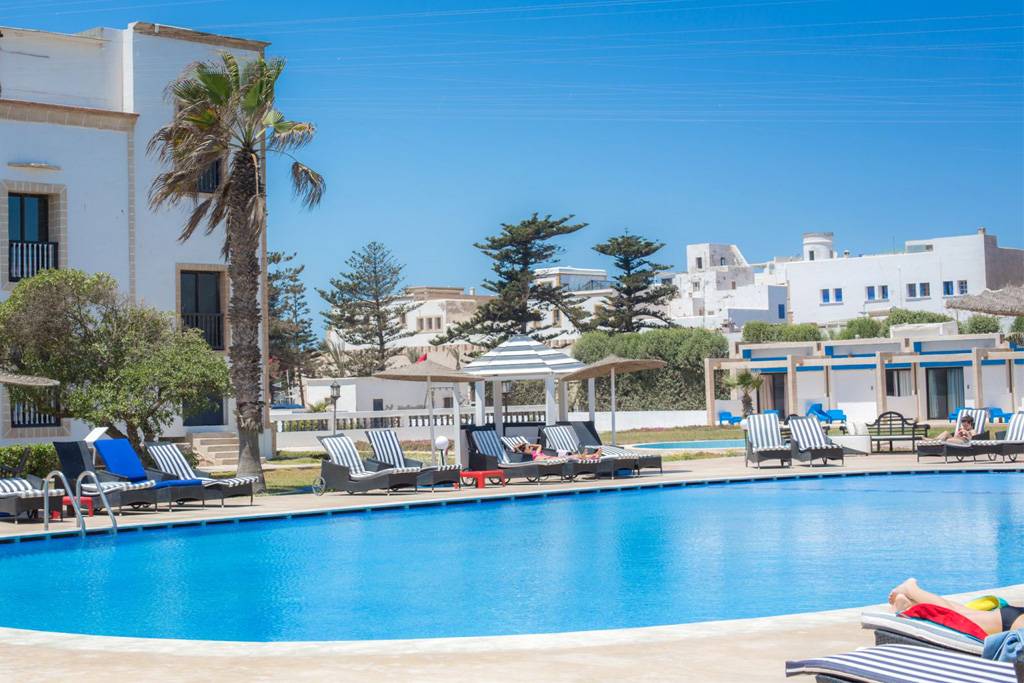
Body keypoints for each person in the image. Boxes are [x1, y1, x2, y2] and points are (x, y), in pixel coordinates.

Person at [889, 577, 1024, 634]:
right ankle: (911, 589)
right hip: (1010, 622)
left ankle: (912, 602)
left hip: (1012, 619)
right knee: (956, 615)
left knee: (961, 611)